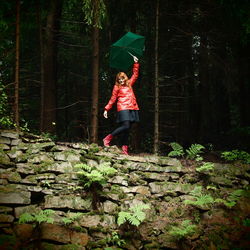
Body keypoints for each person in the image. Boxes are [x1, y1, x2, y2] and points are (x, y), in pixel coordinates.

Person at [103, 55, 140, 155]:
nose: (121, 81)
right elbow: (113, 98)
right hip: (123, 107)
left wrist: (136, 63)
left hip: (132, 107)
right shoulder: (116, 87)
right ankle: (107, 138)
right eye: (119, 79)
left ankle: (124, 148)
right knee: (126, 125)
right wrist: (107, 109)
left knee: (128, 129)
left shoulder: (129, 84)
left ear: (125, 78)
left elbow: (135, 74)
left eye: (122, 79)